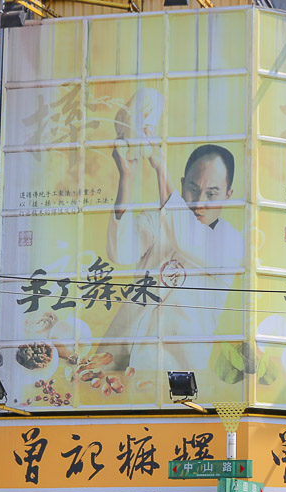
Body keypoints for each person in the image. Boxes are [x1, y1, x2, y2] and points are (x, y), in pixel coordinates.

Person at [104, 101, 244, 373]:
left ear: (228, 194)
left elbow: (186, 239)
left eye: (212, 193)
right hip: (119, 352)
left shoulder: (230, 243)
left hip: (176, 371)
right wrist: (127, 177)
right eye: (192, 189)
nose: (199, 202)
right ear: (181, 184)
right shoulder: (159, 219)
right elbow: (120, 252)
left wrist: (160, 167)